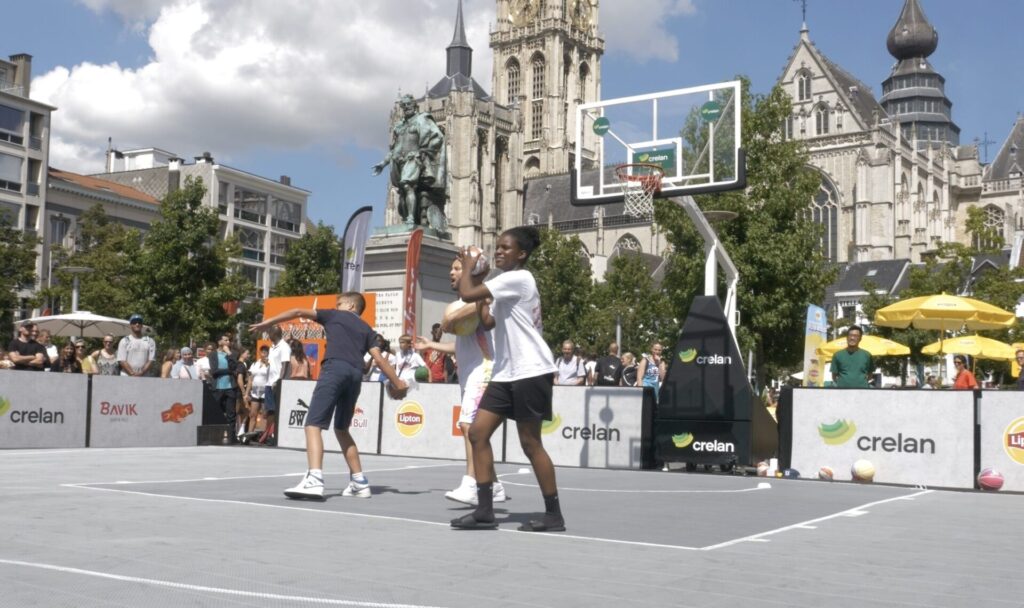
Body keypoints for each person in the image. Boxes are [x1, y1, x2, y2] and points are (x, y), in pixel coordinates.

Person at [450, 226, 565, 532]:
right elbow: (487, 322)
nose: (499, 251)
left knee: (530, 443)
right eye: (497, 247)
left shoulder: (519, 278)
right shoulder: (503, 285)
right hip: (505, 372)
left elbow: (465, 294)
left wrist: (467, 264)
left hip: (531, 370)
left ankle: (553, 514)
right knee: (477, 433)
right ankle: (485, 511)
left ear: (522, 254)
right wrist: (477, 285)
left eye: (505, 248)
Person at [249, 292, 408, 500]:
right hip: (355, 375)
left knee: (313, 424)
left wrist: (266, 323)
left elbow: (297, 311)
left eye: (339, 303)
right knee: (342, 429)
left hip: (335, 369)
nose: (336, 305)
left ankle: (314, 479)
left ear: (351, 306)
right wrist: (398, 383)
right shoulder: (368, 329)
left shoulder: (334, 315)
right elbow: (378, 358)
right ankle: (359, 481)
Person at [414, 254, 507, 506]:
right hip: (470, 373)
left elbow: (451, 320)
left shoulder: (486, 297)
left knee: (468, 426)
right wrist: (432, 343)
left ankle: (471, 483)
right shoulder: (472, 301)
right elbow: (460, 342)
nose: (451, 273)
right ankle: (494, 485)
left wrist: (456, 312)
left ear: (472, 272)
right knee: (473, 429)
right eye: (451, 269)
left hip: (486, 370)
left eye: (458, 268)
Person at [372, 94, 445, 227]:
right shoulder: (400, 126)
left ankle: (411, 217)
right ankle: (408, 218)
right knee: (401, 191)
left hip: (414, 159)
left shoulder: (423, 120)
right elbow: (395, 148)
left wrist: (424, 150)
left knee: (407, 185)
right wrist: (383, 163)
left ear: (414, 106)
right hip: (399, 161)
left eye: (408, 105)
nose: (406, 108)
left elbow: (438, 137)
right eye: (404, 106)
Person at [259, 326, 289, 446]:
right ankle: (268, 434)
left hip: (276, 383)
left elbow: (285, 365)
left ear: (274, 334)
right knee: (269, 410)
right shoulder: (272, 347)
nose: (268, 336)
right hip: (269, 382)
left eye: (269, 333)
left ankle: (272, 435)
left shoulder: (284, 347)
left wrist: (279, 381)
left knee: (274, 411)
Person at [206, 334, 239, 438]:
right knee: (216, 412)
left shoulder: (232, 353)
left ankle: (231, 435)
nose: (228, 342)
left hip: (230, 387)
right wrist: (229, 371)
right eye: (225, 340)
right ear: (220, 342)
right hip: (218, 387)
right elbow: (214, 371)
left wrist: (229, 353)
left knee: (231, 414)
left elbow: (235, 366)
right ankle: (215, 435)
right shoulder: (213, 354)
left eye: (229, 340)